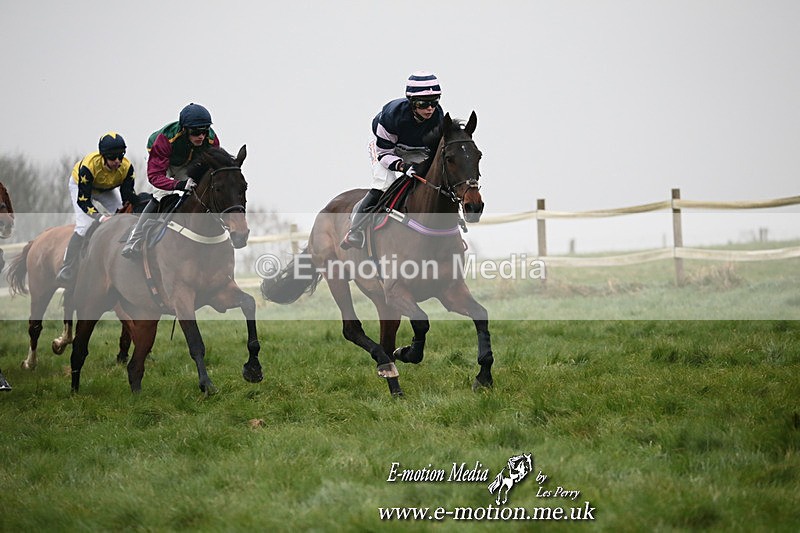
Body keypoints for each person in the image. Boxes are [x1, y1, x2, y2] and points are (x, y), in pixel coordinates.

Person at [341, 71, 445, 249]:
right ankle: (355, 231)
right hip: (386, 148)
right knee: (385, 183)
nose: (430, 109)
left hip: (415, 149)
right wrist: (402, 166)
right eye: (423, 104)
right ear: (412, 103)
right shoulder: (392, 116)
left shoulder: (437, 117)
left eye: (434, 102)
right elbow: (384, 153)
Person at [121, 103, 219, 258]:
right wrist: (179, 185)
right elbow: (155, 177)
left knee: (196, 190)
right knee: (161, 195)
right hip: (163, 161)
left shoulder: (212, 140)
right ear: (184, 129)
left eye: (204, 130)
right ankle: (135, 236)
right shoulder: (165, 139)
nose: (201, 136)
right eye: (196, 132)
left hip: (187, 162)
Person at [56, 132, 136, 284]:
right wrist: (100, 217)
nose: (118, 161)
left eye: (120, 156)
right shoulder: (89, 166)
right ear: (103, 156)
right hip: (82, 189)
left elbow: (128, 198)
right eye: (113, 158)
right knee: (84, 225)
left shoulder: (127, 168)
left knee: (125, 218)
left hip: (106, 190)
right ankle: (67, 266)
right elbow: (84, 201)